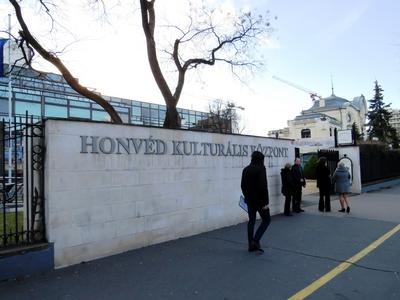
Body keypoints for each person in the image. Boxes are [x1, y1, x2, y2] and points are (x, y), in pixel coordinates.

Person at [241, 151, 271, 252]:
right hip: (260, 201)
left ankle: (250, 244)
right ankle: (255, 240)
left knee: (251, 221)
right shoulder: (261, 169)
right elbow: (263, 186)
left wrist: (247, 196)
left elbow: (243, 186)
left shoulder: (246, 169)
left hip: (250, 200)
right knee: (267, 220)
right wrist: (265, 202)